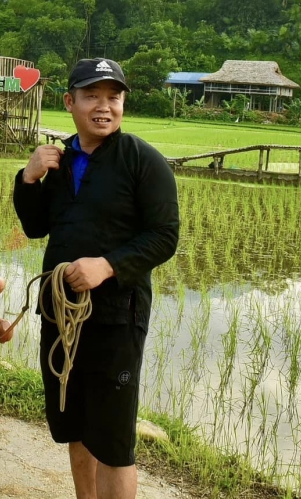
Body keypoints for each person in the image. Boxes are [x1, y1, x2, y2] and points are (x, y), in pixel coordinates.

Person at [12, 58, 179, 499]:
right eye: (92, 96)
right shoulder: (60, 159)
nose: (104, 107)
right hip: (61, 316)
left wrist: (107, 266)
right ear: (70, 102)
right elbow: (35, 227)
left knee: (114, 440)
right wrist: (28, 179)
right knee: (75, 424)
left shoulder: (144, 161)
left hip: (116, 319)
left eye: (114, 97)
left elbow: (165, 237)